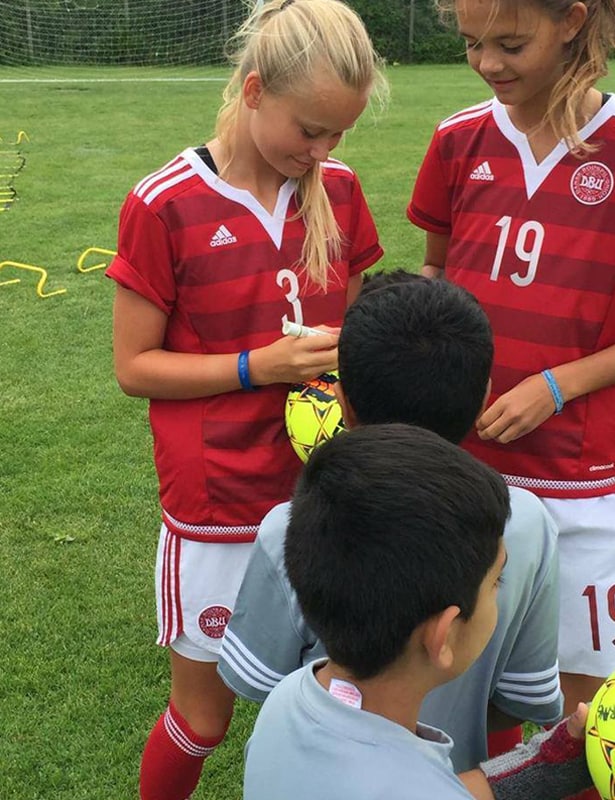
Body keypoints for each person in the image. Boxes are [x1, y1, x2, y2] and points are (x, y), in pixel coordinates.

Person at [106, 1, 385, 797]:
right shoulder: (164, 202)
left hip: (324, 500)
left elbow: (352, 337)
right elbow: (134, 366)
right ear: (255, 90)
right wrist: (255, 367)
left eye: (339, 135)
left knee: (338, 706)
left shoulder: (340, 192)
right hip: (217, 504)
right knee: (203, 719)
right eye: (311, 130)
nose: (323, 151)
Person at [218, 275, 563, 771]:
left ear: (343, 402)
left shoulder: (289, 525)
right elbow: (520, 699)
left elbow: (260, 683)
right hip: (451, 780)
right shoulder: (527, 522)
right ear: (484, 395)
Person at [407, 0, 615, 717]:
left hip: (580, 480)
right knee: (469, 689)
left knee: (584, 713)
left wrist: (556, 386)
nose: (487, 63)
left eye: (510, 43)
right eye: (472, 43)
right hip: (464, 468)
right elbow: (435, 275)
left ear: (571, 21)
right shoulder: (456, 139)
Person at [243, 424, 591, 800]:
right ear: (443, 636)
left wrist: (545, 767)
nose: (499, 592)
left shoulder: (288, 700)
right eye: (497, 582)